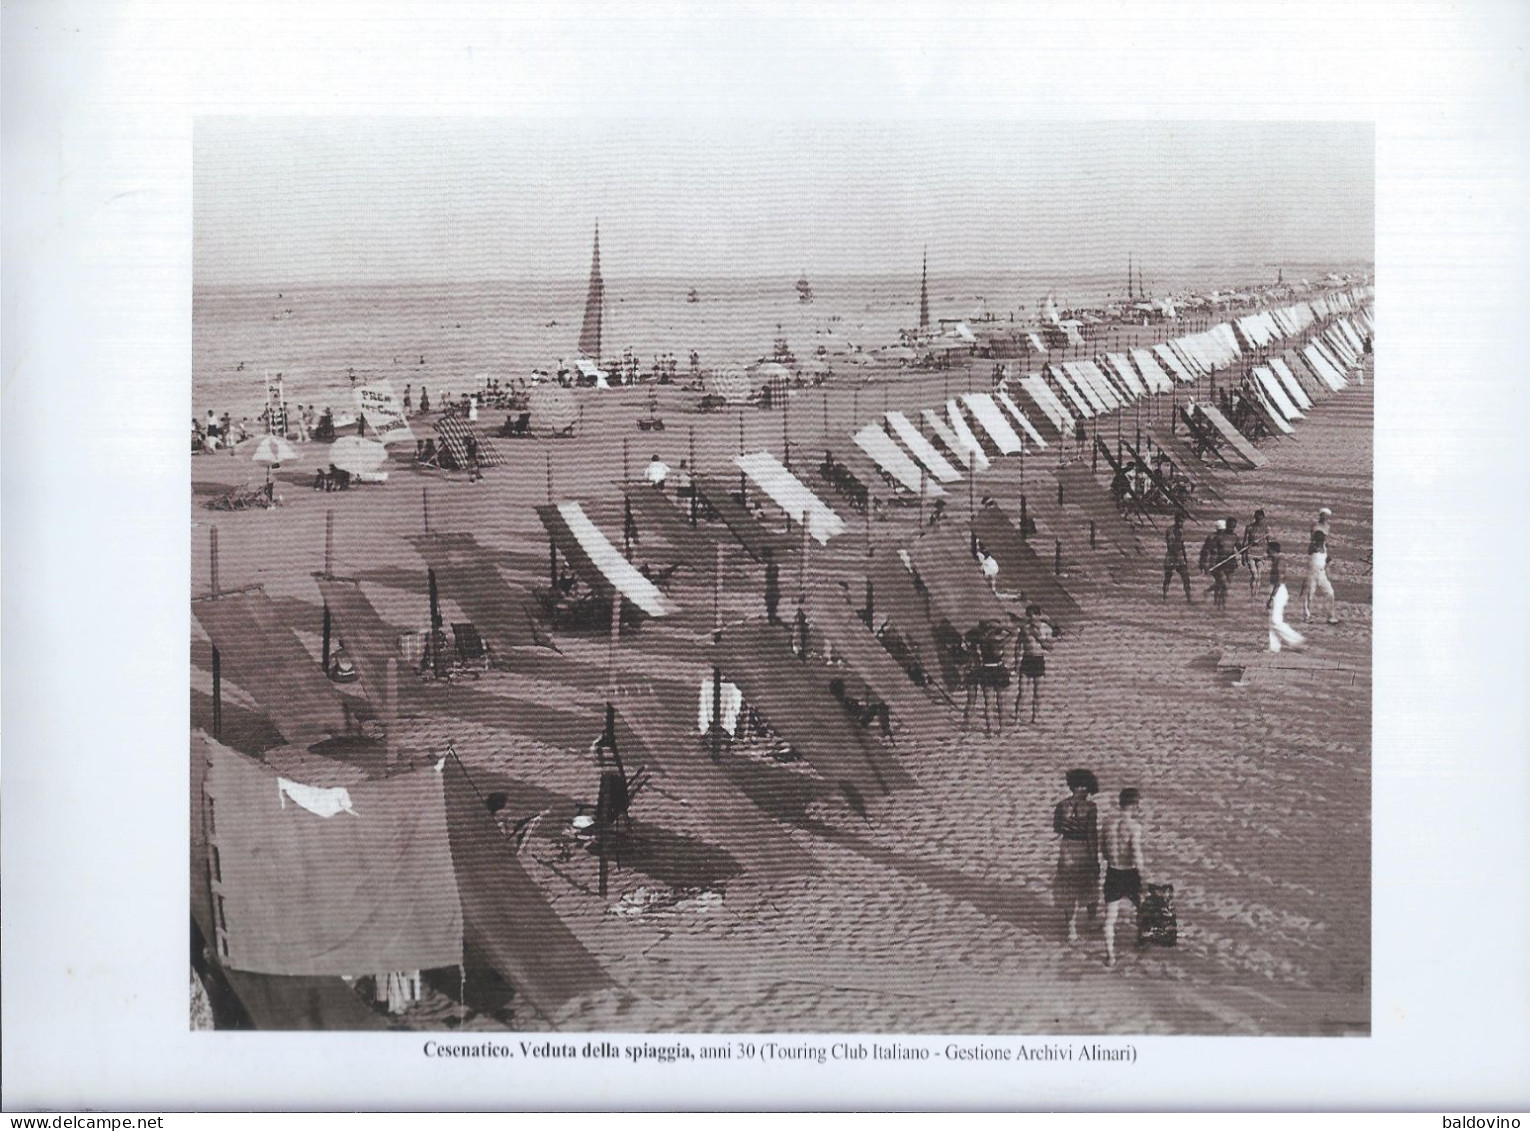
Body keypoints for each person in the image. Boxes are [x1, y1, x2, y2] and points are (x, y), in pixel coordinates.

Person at [1052, 769, 1101, 944]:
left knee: (1068, 889)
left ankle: (1071, 930)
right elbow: (1091, 834)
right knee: (1090, 886)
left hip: (1066, 849)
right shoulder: (1090, 808)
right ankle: (1091, 922)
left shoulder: (1061, 805)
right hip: (1084, 850)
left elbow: (1057, 829)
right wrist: (1095, 859)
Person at [1101, 788, 1149, 968]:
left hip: (1113, 871)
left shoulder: (1107, 822)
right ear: (1135, 805)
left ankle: (1110, 956)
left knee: (1110, 917)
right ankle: (1140, 939)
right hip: (1129, 873)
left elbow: (1103, 849)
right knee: (1141, 908)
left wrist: (1113, 858)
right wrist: (1142, 876)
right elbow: (1136, 853)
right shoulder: (1134, 827)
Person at [1013, 604, 1053, 724]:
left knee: (1038, 692)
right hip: (1027, 659)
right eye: (1029, 615)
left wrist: (1038, 636)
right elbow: (1018, 646)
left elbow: (1050, 647)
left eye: (1034, 615)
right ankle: (1017, 717)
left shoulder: (1046, 628)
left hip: (1038, 659)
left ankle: (1035, 717)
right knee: (1022, 691)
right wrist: (1016, 662)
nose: (1032, 618)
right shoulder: (1024, 628)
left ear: (1039, 615)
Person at [1265, 540, 1306, 654]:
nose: (1266, 552)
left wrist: (1271, 597)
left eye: (1268, 550)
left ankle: (1296, 639)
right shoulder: (1276, 560)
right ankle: (1274, 647)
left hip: (1278, 591)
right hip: (1276, 589)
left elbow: (1279, 580)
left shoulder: (1279, 562)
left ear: (1272, 550)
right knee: (1272, 620)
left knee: (1275, 620)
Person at [1302, 506, 1339, 624]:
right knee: (1310, 595)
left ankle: (1330, 616)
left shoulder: (1322, 546)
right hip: (1313, 572)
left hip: (1321, 573)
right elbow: (1313, 546)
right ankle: (1307, 616)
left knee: (1329, 592)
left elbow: (1325, 555)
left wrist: (1330, 561)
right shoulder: (1313, 547)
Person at [1162, 512, 1194, 604]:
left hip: (1180, 556)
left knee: (1186, 578)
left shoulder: (1182, 531)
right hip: (1171, 556)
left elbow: (1182, 545)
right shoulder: (1170, 531)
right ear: (1176, 521)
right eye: (1180, 521)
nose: (1181, 523)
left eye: (1182, 521)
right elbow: (1170, 545)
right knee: (1168, 577)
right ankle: (1164, 597)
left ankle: (1189, 599)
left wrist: (1185, 557)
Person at [1241, 508, 1270, 596]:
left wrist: (1268, 552)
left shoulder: (1265, 528)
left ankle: (1256, 594)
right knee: (1255, 575)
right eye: (1258, 519)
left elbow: (1269, 541)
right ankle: (1252, 593)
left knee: (1259, 576)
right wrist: (1243, 555)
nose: (1260, 520)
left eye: (1261, 519)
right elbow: (1245, 541)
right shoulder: (1249, 528)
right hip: (1250, 553)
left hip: (1261, 554)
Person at [763, 547, 781, 625]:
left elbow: (771, 579)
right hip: (772, 588)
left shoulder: (772, 567)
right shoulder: (771, 566)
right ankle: (772, 618)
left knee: (771, 604)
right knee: (771, 605)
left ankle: (772, 619)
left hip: (772, 589)